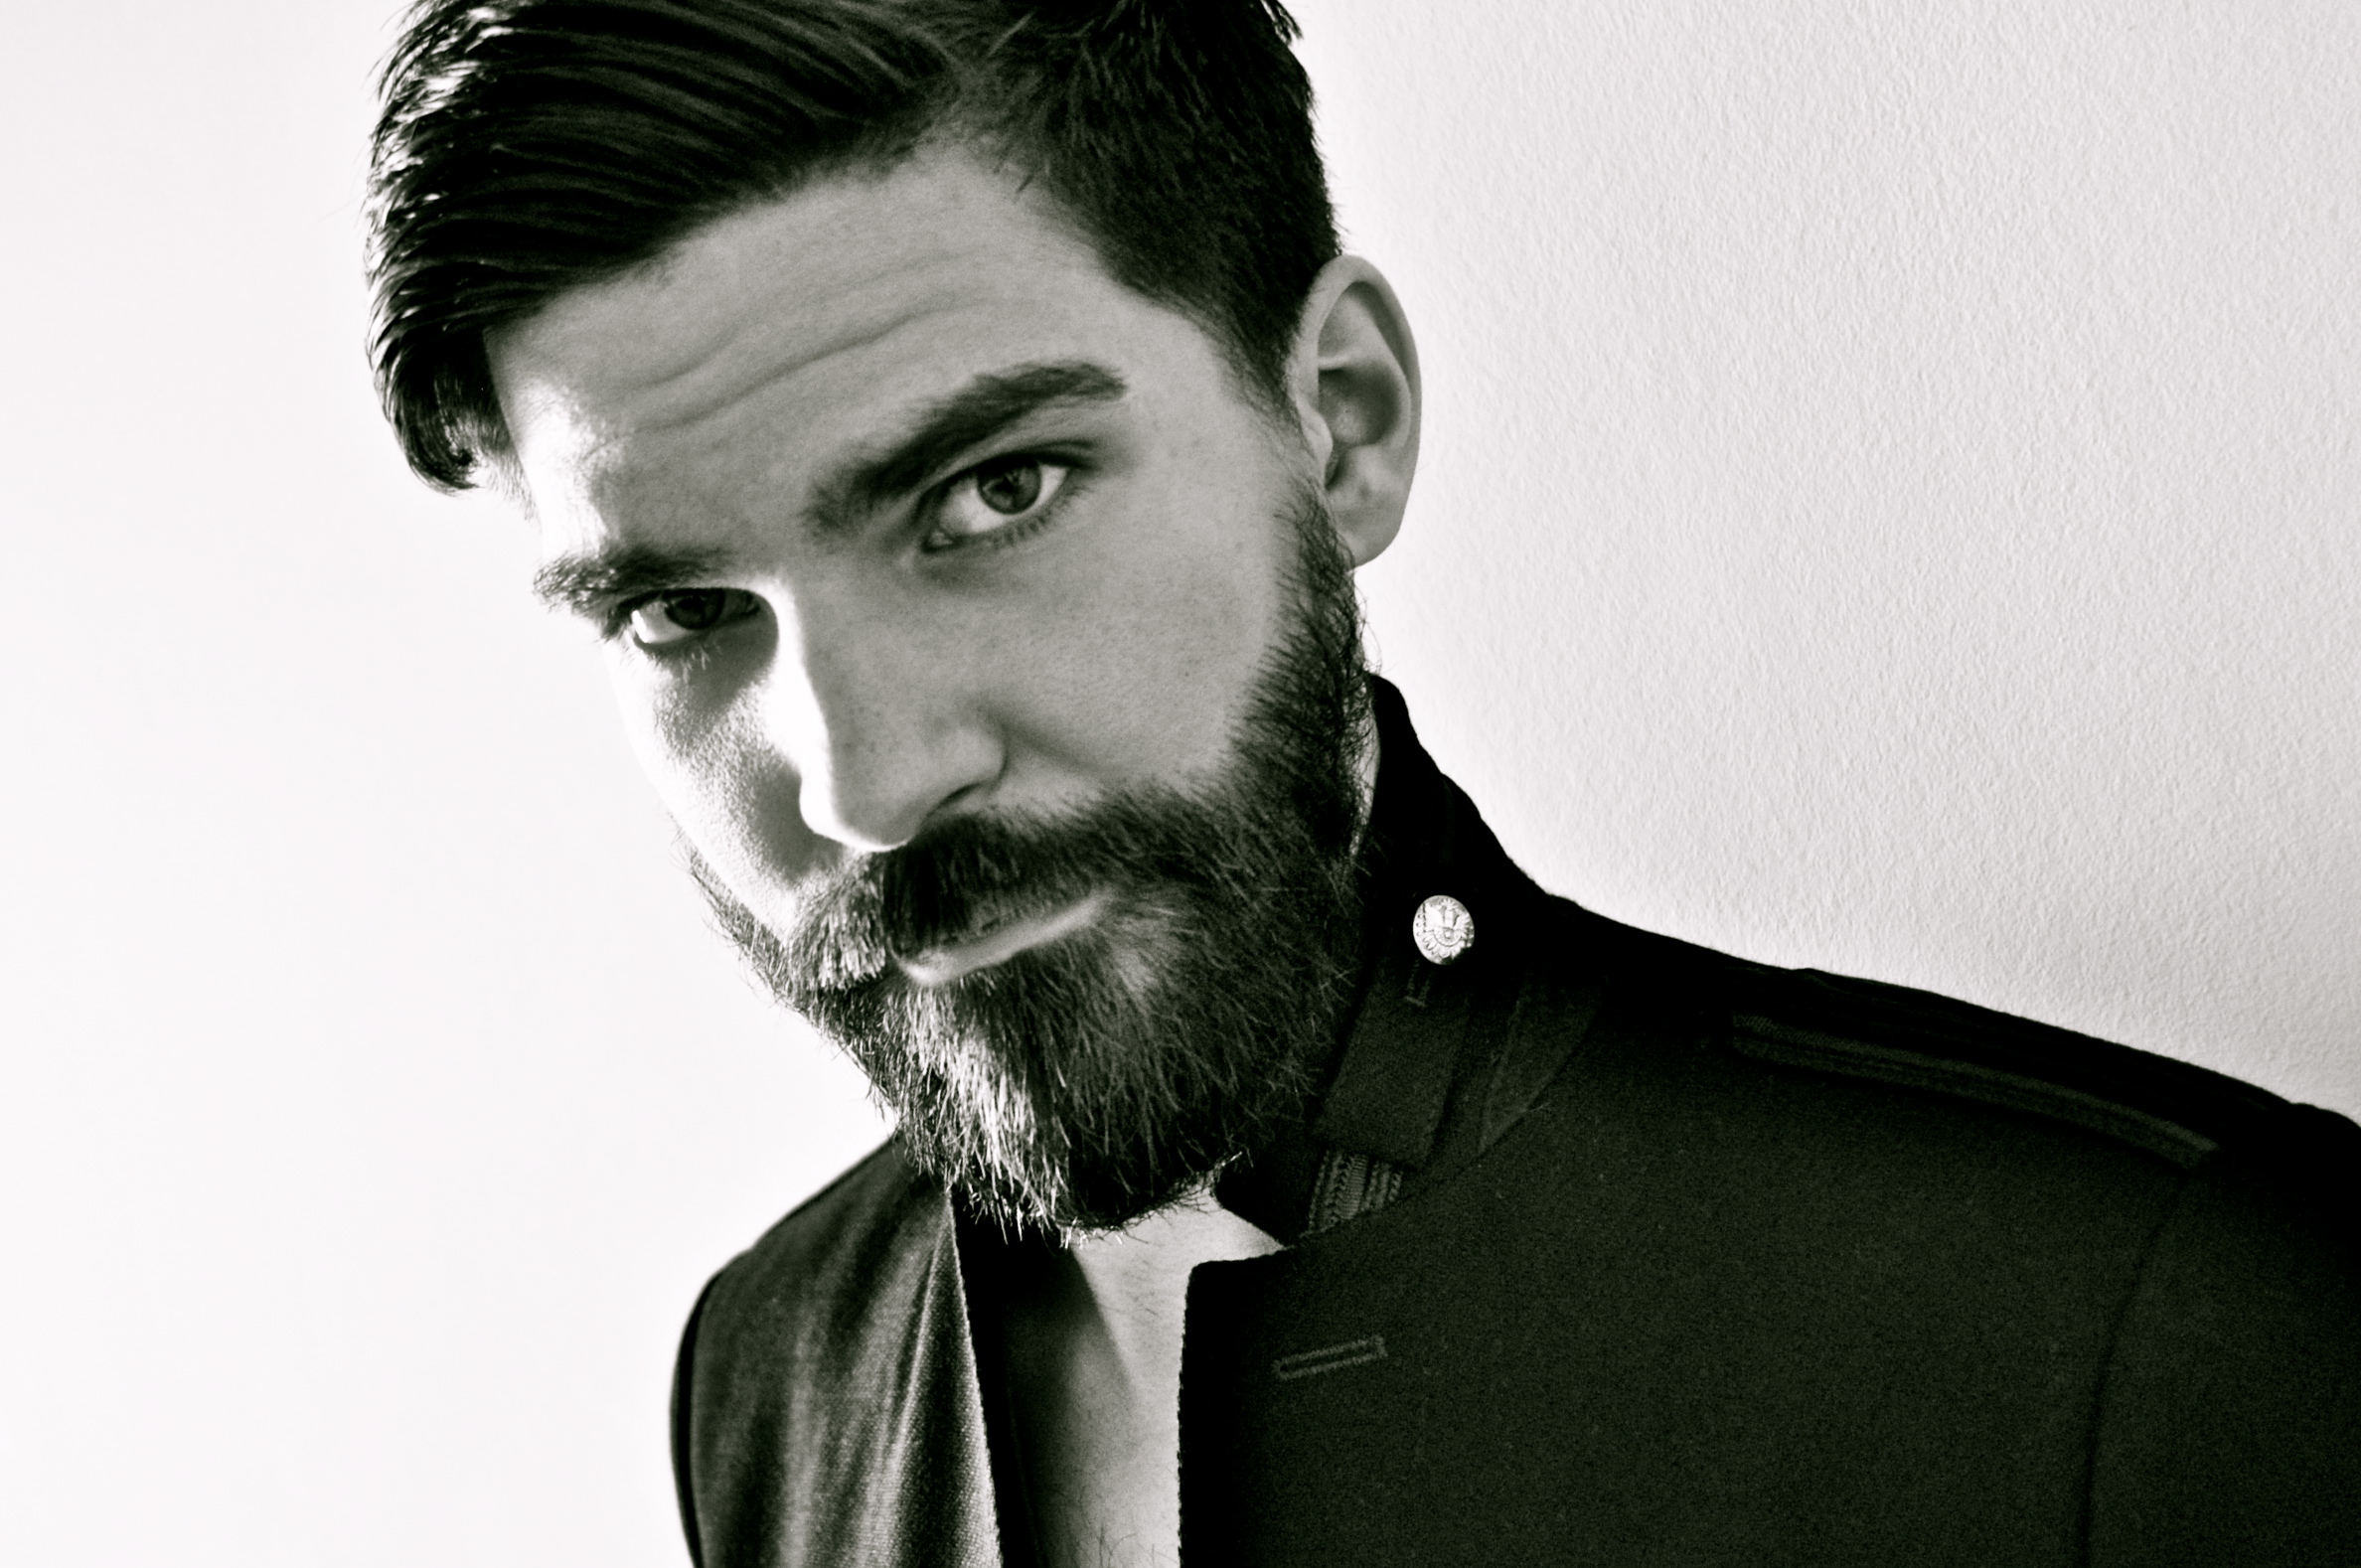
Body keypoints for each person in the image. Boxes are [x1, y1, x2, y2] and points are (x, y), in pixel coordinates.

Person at [364, 2, 2360, 1563]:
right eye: (678, 611)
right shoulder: (770, 1373)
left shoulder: (2174, 1314)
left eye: (994, 492)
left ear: (1341, 422)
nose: (867, 781)